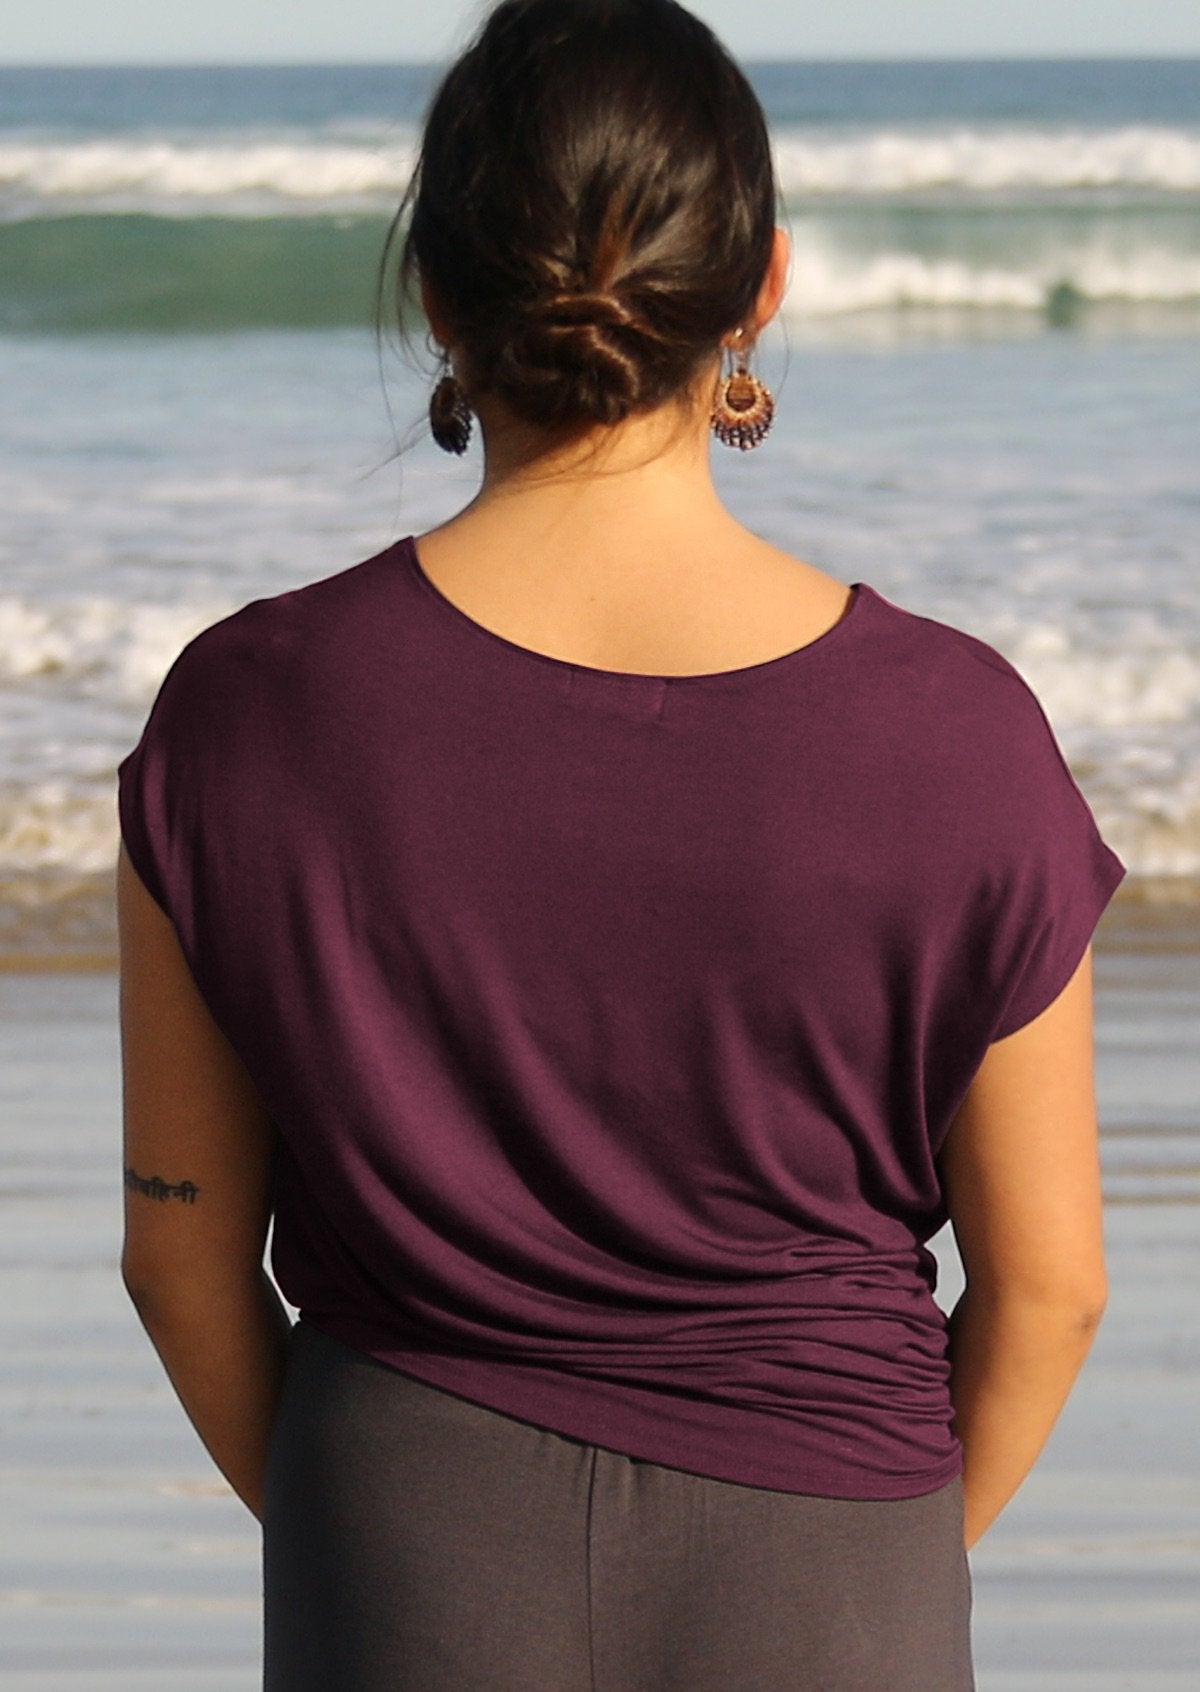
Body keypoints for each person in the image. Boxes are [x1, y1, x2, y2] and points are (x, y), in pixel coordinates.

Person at [115, 3, 1126, 1689]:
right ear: (764, 288)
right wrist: (866, 1565)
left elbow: (178, 1252)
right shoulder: (957, 733)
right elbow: (1053, 1289)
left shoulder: (245, 710)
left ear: (437, 292)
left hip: (403, 1528)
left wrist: (369, 1545)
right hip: (838, 1549)